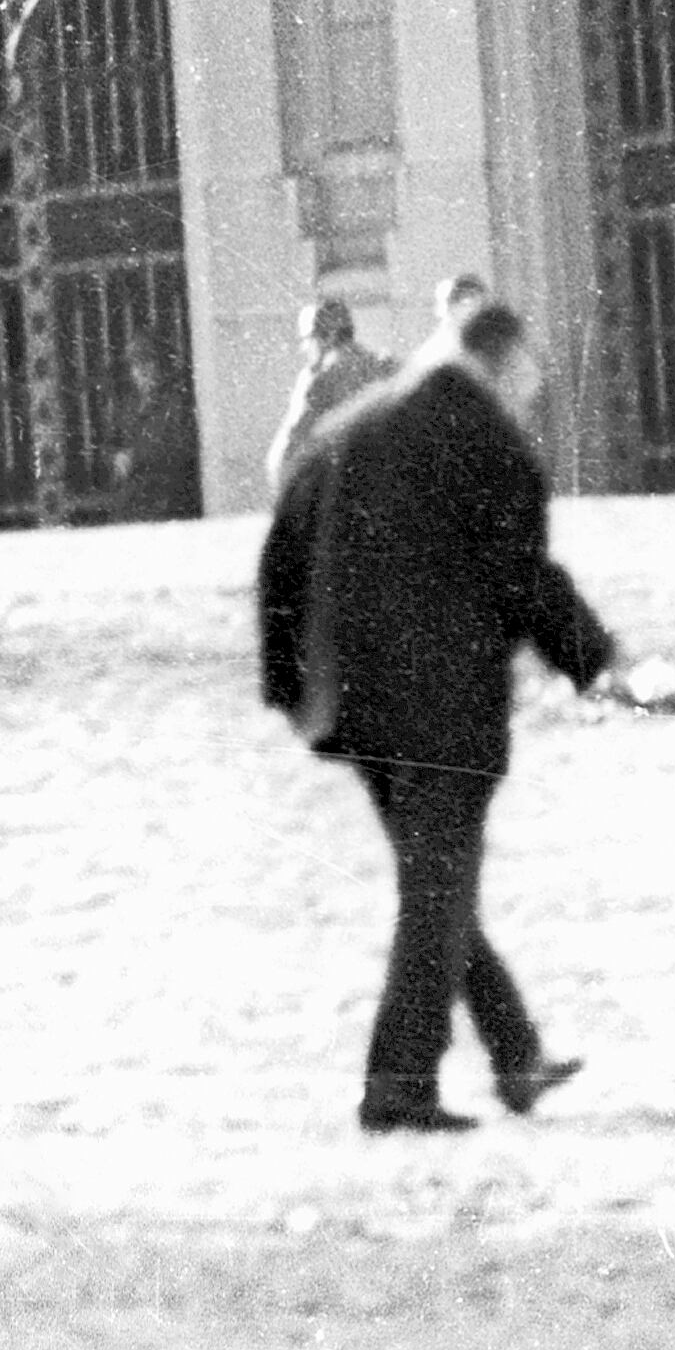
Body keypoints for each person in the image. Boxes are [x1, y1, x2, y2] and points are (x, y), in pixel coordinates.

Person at [254, 276, 621, 1134]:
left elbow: (282, 551)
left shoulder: (354, 426)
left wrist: (288, 686)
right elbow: (522, 578)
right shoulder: (491, 444)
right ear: (502, 369)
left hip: (349, 701)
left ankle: (516, 1053)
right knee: (438, 892)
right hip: (441, 706)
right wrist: (597, 662)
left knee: (437, 886)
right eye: (527, 382)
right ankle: (399, 1084)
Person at [267, 299, 392, 495]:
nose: (304, 349)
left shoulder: (320, 378)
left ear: (328, 337)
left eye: (307, 339)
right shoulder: (386, 366)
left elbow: (290, 446)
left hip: (341, 494)